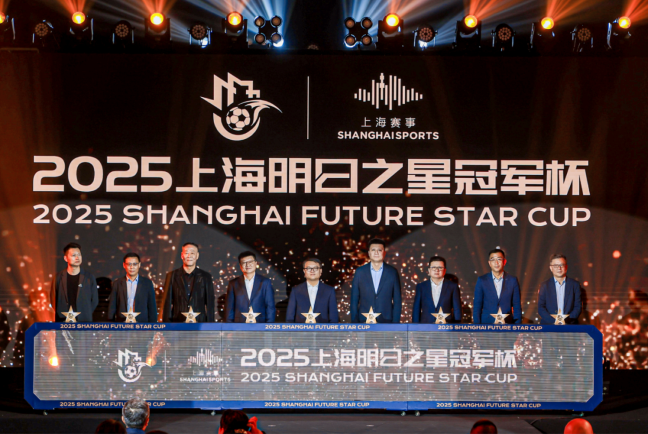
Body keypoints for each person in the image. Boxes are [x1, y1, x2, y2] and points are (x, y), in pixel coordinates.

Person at [350, 238, 402, 323]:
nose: (376, 252)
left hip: (386, 321)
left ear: (384, 253)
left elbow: (397, 301)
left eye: (379, 250)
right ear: (369, 253)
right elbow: (354, 300)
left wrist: (395, 324)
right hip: (363, 321)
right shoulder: (360, 272)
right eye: (373, 250)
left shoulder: (392, 272)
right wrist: (354, 323)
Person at [163, 242, 215, 322]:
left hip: (200, 324)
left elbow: (210, 304)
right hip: (177, 323)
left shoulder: (206, 277)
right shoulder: (171, 276)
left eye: (192, 253)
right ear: (182, 255)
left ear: (197, 256)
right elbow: (167, 304)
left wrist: (210, 326)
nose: (189, 256)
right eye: (186, 253)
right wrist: (167, 326)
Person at [51, 243, 98, 322]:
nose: (77, 258)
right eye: (73, 255)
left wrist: (85, 313)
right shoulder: (58, 278)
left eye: (79, 255)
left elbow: (94, 301)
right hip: (63, 321)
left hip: (84, 321)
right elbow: (53, 300)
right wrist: (61, 313)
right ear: (65, 258)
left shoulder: (89, 277)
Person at [473, 248, 522, 324]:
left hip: (507, 325)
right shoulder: (482, 280)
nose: (496, 263)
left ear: (504, 262)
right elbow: (477, 306)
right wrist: (477, 327)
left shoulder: (513, 280)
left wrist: (517, 327)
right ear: (489, 263)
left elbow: (517, 306)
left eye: (499, 259)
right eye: (493, 260)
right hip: (487, 325)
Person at [225, 252, 276, 323]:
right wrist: (229, 326)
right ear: (240, 265)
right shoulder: (233, 283)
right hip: (239, 324)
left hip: (260, 324)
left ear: (256, 263)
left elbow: (270, 307)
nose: (247, 265)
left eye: (250, 262)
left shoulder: (265, 282)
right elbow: (229, 308)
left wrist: (268, 326)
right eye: (244, 262)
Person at [108, 253, 158, 322]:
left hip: (142, 324)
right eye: (129, 264)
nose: (132, 267)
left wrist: (153, 326)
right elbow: (112, 307)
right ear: (124, 265)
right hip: (122, 324)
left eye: (135, 264)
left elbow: (152, 307)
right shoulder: (117, 283)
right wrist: (110, 325)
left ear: (139, 265)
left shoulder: (147, 283)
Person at [286, 258, 339, 323]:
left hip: (322, 329)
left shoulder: (329, 291)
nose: (312, 271)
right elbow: (290, 318)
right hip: (301, 329)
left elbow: (334, 318)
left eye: (315, 268)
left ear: (320, 271)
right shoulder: (296, 291)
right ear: (304, 271)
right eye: (308, 268)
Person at [412, 256, 462, 323]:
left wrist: (457, 326)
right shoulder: (421, 287)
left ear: (444, 270)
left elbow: (457, 309)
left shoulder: (453, 286)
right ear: (429, 270)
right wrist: (415, 326)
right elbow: (416, 309)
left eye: (440, 267)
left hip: (446, 326)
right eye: (433, 267)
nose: (437, 270)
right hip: (426, 326)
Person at [538, 254, 582, 324]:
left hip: (569, 325)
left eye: (562, 265)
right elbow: (541, 307)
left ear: (566, 267)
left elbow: (578, 307)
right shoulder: (544, 285)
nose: (559, 268)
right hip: (549, 325)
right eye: (555, 266)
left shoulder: (575, 285)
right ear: (551, 268)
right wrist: (554, 322)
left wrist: (566, 321)